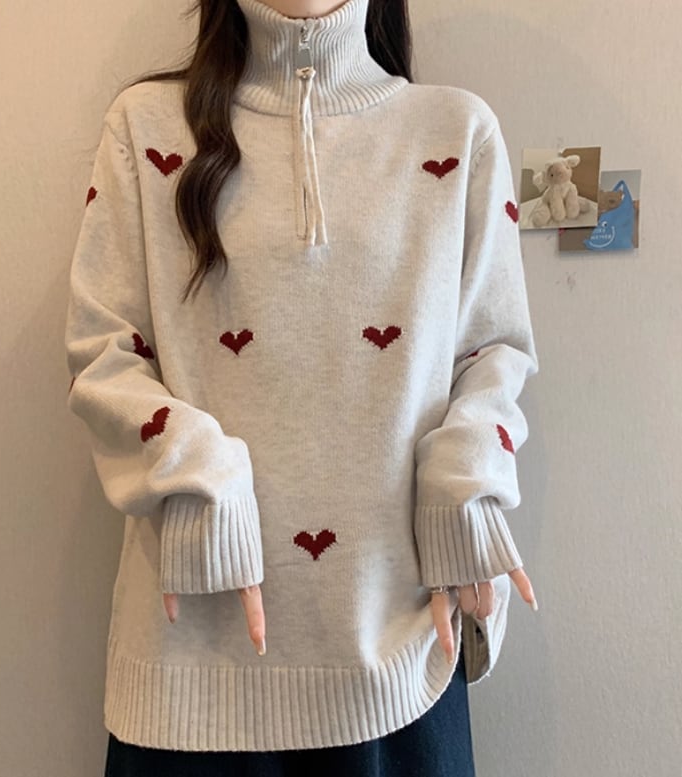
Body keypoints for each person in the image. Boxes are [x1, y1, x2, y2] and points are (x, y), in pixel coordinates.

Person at [64, 0, 540, 774]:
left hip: (398, 661)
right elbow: (102, 353)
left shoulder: (456, 132)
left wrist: (465, 486)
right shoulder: (144, 127)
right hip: (191, 674)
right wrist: (196, 472)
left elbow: (491, 353)